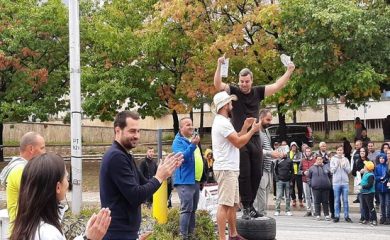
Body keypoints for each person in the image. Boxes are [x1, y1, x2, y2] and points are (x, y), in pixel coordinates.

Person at [214, 54, 295, 219]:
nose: (244, 84)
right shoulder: (234, 91)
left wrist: (289, 71)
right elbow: (217, 85)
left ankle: (250, 205)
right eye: (241, 81)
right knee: (244, 173)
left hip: (255, 136)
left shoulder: (258, 92)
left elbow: (277, 86)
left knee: (257, 173)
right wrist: (218, 65)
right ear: (239, 81)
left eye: (247, 81)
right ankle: (246, 207)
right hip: (240, 136)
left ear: (252, 80)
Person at [100, 111, 183, 240]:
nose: (137, 136)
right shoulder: (116, 157)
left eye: (139, 131)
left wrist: (164, 171)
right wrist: (159, 177)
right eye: (132, 131)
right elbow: (136, 196)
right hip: (117, 233)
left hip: (126, 232)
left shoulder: (125, 155)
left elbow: (145, 184)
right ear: (118, 131)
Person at [10, 153, 111, 240]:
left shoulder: (28, 224)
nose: (68, 183)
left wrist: (86, 236)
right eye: (66, 177)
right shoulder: (48, 233)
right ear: (58, 187)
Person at [211, 91, 261, 240]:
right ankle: (222, 237)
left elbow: (237, 137)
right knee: (224, 204)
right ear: (225, 105)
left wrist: (245, 128)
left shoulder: (223, 122)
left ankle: (233, 234)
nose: (232, 105)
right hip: (226, 168)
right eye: (230, 103)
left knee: (232, 204)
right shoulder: (222, 122)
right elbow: (239, 143)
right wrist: (252, 131)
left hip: (229, 168)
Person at [0, 132, 46, 228]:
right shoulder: (21, 170)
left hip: (23, 228)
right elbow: (37, 200)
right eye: (42, 148)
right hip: (23, 230)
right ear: (31, 149)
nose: (44, 152)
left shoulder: (22, 167)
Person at [172, 117, 206, 239]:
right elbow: (183, 158)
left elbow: (199, 159)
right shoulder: (178, 142)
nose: (191, 127)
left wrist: (203, 178)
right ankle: (183, 236)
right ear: (181, 128)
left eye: (191, 124)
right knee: (186, 210)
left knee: (192, 210)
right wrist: (192, 145)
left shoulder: (193, 140)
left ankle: (191, 236)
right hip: (185, 181)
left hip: (195, 180)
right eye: (187, 125)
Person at [254, 109, 283, 216]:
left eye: (270, 120)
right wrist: (270, 153)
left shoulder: (266, 131)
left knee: (265, 193)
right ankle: (259, 216)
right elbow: (255, 150)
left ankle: (263, 215)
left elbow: (267, 147)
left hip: (268, 168)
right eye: (268, 120)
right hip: (259, 168)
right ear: (261, 118)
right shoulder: (256, 131)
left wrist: (276, 154)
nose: (270, 122)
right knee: (260, 194)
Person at [330, 145, 352, 223]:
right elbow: (332, 171)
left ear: (343, 151)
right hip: (336, 183)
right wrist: (336, 165)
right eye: (338, 150)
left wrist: (344, 166)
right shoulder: (333, 159)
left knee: (345, 200)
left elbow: (349, 171)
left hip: (345, 183)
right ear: (336, 151)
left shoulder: (345, 159)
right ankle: (337, 216)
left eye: (341, 150)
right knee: (336, 200)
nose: (340, 151)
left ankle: (346, 216)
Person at [308, 155, 332, 221]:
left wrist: (329, 183)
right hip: (316, 187)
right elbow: (309, 178)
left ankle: (326, 215)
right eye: (318, 159)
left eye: (321, 159)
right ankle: (317, 214)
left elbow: (330, 176)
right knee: (317, 202)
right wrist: (311, 184)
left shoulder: (326, 167)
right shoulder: (312, 168)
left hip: (325, 187)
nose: (319, 161)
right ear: (316, 160)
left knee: (325, 202)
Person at [274, 147, 294, 216]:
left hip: (287, 181)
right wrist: (277, 178)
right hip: (279, 181)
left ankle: (287, 210)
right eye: (283, 152)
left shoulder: (290, 160)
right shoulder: (278, 160)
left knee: (288, 196)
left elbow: (292, 171)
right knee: (278, 196)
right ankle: (277, 210)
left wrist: (291, 180)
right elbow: (275, 170)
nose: (284, 153)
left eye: (285, 152)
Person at [359, 161, 377, 226]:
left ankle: (374, 219)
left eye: (365, 166)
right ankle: (367, 219)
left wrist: (362, 186)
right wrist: (359, 184)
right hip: (363, 193)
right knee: (364, 207)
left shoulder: (370, 175)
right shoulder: (365, 174)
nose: (364, 167)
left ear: (367, 168)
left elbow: (370, 185)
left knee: (370, 206)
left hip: (369, 193)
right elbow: (363, 182)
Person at [374, 153, 390, 224]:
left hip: (387, 188)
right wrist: (380, 178)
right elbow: (375, 176)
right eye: (380, 158)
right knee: (382, 204)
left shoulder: (387, 167)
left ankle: (388, 218)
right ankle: (382, 217)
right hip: (380, 188)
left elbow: (388, 176)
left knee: (388, 203)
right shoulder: (377, 167)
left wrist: (386, 179)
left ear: (385, 159)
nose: (381, 159)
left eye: (383, 158)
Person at [300, 147, 315, 217]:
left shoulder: (314, 160)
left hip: (313, 180)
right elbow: (299, 171)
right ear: (305, 152)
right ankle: (308, 210)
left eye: (309, 151)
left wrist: (311, 172)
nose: (308, 152)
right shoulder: (302, 160)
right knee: (307, 196)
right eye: (307, 151)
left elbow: (317, 169)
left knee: (314, 196)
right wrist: (303, 172)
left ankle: (315, 210)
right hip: (305, 180)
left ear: (311, 152)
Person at [289, 142, 304, 208]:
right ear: (290, 147)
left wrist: (293, 161)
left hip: (298, 173)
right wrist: (294, 161)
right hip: (291, 173)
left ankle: (300, 200)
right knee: (291, 187)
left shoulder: (300, 153)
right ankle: (294, 200)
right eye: (292, 146)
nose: (293, 147)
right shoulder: (288, 153)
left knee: (300, 187)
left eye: (294, 146)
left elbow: (301, 161)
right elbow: (288, 161)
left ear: (296, 146)